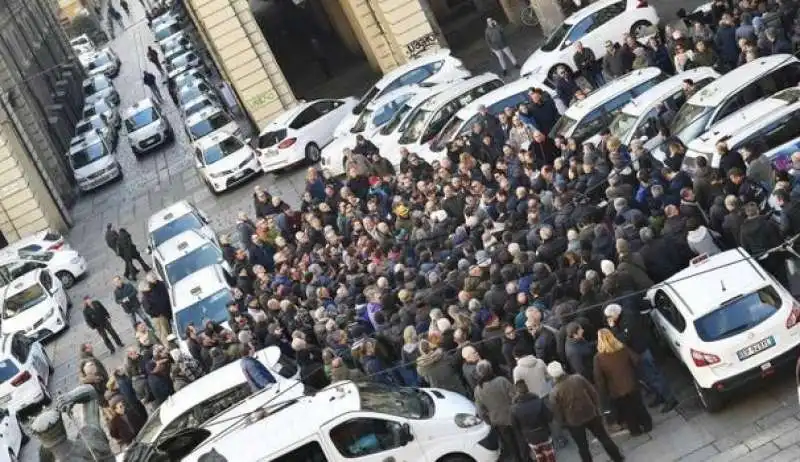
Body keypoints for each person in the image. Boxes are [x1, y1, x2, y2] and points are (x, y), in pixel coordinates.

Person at [548, 361, 624, 462]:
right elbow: (593, 392)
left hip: (573, 421)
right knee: (603, 437)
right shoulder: (578, 378)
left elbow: (557, 412)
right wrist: (597, 408)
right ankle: (617, 457)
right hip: (590, 413)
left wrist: (563, 423)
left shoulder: (554, 392)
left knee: (582, 447)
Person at [593, 328, 652, 436]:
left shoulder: (598, 358)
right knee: (639, 405)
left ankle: (635, 430)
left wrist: (604, 393)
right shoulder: (622, 348)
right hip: (632, 383)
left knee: (627, 411)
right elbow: (636, 359)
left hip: (616, 390)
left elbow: (599, 378)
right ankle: (647, 424)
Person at [473, 360, 521, 461]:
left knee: (510, 443)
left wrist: (489, 421)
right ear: (490, 369)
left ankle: (518, 459)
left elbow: (481, 411)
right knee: (520, 440)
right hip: (513, 416)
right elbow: (516, 396)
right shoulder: (502, 381)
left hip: (498, 421)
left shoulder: (478, 390)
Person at [511, 380, 555, 462]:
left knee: (539, 457)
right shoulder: (538, 401)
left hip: (530, 437)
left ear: (517, 392)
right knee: (550, 456)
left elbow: (515, 427)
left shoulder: (514, 409)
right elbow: (549, 417)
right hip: (544, 433)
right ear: (527, 388)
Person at [141, 273, 172, 345]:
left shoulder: (159, 285)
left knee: (167, 330)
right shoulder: (146, 298)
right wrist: (159, 313)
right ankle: (169, 346)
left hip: (165, 311)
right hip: (159, 316)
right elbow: (149, 310)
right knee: (164, 333)